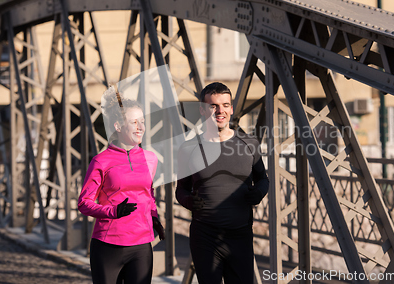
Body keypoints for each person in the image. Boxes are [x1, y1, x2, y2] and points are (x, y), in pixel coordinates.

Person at [176, 82, 269, 284]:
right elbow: (181, 189)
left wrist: (259, 192)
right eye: (213, 106)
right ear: (202, 110)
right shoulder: (188, 148)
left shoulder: (249, 144)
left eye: (225, 105)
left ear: (231, 108)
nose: (220, 111)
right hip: (205, 237)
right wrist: (188, 201)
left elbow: (263, 179)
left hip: (240, 237)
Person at [78, 88, 165, 284]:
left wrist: (154, 217)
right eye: (134, 122)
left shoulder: (150, 159)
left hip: (142, 245)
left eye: (142, 121)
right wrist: (113, 212)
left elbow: (148, 195)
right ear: (118, 125)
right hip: (108, 245)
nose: (140, 127)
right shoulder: (101, 161)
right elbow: (84, 203)